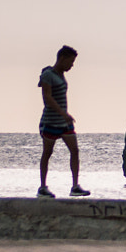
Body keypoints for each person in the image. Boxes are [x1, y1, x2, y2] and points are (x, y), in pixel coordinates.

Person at [37, 45, 87, 197]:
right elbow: (47, 98)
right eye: (70, 62)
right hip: (50, 122)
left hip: (64, 123)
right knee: (47, 153)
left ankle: (75, 186)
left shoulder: (61, 75)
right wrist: (63, 113)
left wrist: (65, 116)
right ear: (62, 58)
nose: (72, 65)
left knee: (75, 151)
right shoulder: (48, 74)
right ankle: (43, 187)